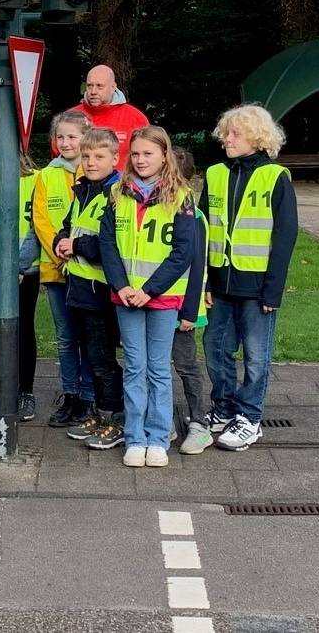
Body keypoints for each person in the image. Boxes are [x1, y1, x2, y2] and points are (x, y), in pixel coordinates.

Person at [99, 127, 203, 468]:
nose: (141, 160)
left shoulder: (181, 196)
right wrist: (121, 286)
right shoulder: (116, 193)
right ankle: (135, 437)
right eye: (136, 154)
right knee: (134, 366)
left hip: (161, 297)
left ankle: (158, 437)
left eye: (148, 153)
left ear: (164, 155)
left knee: (158, 368)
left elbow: (183, 251)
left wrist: (149, 290)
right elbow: (107, 243)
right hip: (126, 296)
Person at [201, 104, 299, 452]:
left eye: (235, 134)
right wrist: (205, 282)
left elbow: (285, 236)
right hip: (219, 284)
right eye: (225, 133)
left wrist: (273, 290)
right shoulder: (215, 174)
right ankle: (224, 409)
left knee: (256, 357)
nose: (226, 139)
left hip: (257, 287)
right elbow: (203, 230)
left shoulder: (275, 177)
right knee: (215, 350)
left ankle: (250, 418)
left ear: (256, 138)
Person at [57, 128, 125, 451]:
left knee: (103, 360)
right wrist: (60, 241)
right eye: (86, 156)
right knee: (92, 356)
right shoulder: (83, 190)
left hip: (101, 291)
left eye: (99, 156)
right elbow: (67, 226)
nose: (91, 162)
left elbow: (111, 245)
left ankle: (114, 418)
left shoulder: (116, 194)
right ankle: (101, 413)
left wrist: (76, 245)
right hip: (80, 288)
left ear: (115, 158)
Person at [33, 110, 94, 427]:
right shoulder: (46, 175)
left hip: (87, 271)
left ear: (86, 138)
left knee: (89, 335)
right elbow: (41, 219)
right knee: (66, 336)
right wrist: (58, 252)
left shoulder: (95, 170)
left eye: (72, 136)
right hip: (56, 268)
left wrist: (77, 253)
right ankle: (70, 393)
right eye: (60, 137)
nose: (66, 142)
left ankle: (89, 396)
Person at [0, 131, 40, 421]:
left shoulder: (34, 180)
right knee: (1, 329)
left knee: (24, 327)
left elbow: (38, 226)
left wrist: (16, 266)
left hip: (26, 270)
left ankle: (25, 390)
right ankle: (5, 386)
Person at [171, 147, 214, 455]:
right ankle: (162, 420)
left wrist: (188, 311)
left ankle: (199, 423)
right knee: (155, 367)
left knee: (185, 365)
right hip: (158, 304)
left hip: (183, 308)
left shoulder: (193, 217)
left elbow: (197, 265)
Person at [74, 65, 149, 172]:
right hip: (75, 181)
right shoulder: (71, 116)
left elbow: (147, 155)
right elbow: (58, 151)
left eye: (100, 86)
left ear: (113, 87)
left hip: (124, 181)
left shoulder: (135, 118)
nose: (93, 91)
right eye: (90, 86)